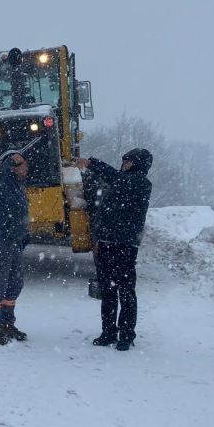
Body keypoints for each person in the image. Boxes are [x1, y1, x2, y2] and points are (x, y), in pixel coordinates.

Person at [74, 148, 153, 351]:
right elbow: (105, 213)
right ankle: (108, 332)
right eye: (124, 161)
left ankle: (126, 335)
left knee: (126, 292)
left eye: (128, 161)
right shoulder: (117, 183)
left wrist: (92, 163)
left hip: (126, 245)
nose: (124, 164)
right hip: (107, 243)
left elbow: (116, 178)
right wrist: (98, 238)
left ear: (138, 164)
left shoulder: (141, 183)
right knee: (108, 291)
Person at [0, 150, 30, 345]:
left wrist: (24, 234)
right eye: (22, 164)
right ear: (12, 167)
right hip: (0, 239)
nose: (26, 167)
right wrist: (10, 161)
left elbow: (20, 213)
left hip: (14, 240)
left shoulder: (18, 186)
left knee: (15, 283)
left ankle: (6, 322)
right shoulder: (1, 182)